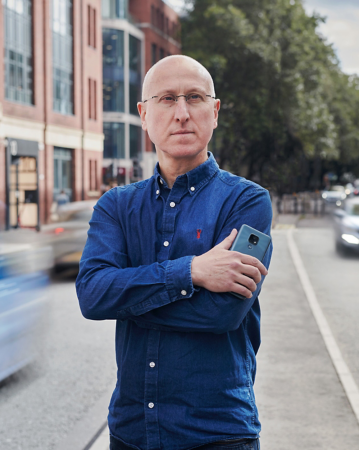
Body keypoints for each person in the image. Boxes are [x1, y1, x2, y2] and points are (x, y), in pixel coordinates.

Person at [76, 55, 273, 450]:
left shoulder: (248, 202)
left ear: (214, 111)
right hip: (132, 431)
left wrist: (130, 295)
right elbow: (93, 295)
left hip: (217, 434)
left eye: (195, 98)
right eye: (167, 99)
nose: (182, 113)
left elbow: (224, 313)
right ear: (144, 114)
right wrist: (193, 273)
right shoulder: (115, 206)